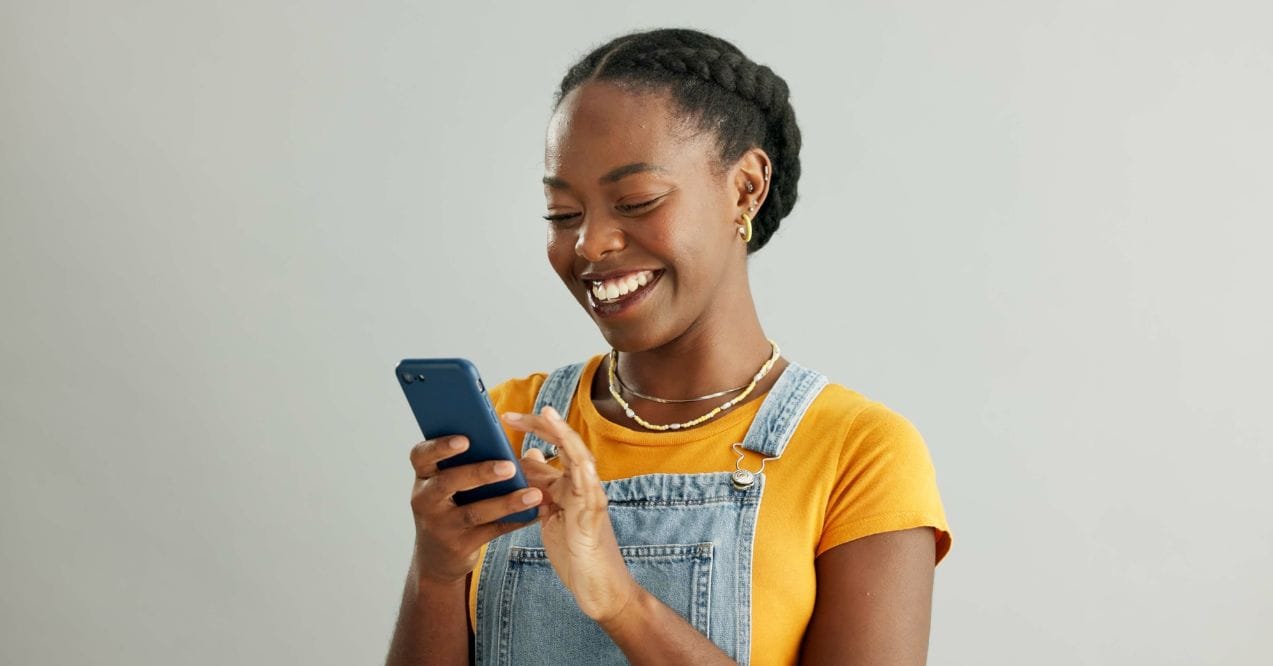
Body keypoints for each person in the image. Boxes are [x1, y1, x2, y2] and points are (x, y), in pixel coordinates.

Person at [386, 27, 952, 666]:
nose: (590, 244)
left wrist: (621, 604)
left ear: (746, 188)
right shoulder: (514, 426)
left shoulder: (858, 453)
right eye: (562, 215)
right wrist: (435, 571)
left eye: (636, 201)